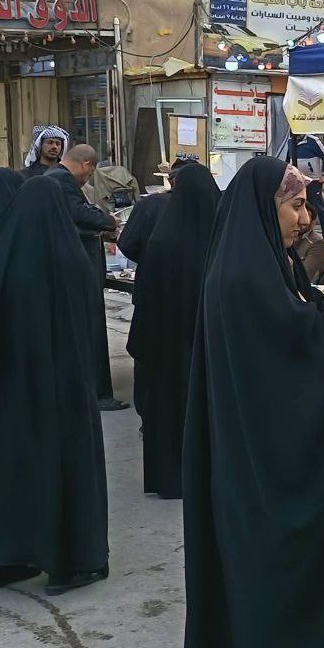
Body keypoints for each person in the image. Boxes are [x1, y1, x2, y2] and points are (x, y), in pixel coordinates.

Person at [181, 157, 324, 648]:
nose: (306, 218)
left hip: (256, 477)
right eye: (296, 206)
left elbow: (314, 317)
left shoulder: (262, 267)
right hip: (272, 490)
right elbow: (319, 350)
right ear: (263, 206)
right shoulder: (246, 280)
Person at [0, 177, 109, 595]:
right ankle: (78, 558)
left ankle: (19, 553)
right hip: (68, 389)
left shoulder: (7, 256)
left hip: (19, 389)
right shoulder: (73, 258)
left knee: (21, 469)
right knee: (68, 470)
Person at [125, 162, 221, 499]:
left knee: (166, 410)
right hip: (204, 348)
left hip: (165, 349)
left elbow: (146, 298)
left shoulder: (161, 240)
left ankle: (166, 478)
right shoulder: (219, 241)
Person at [47, 145, 126, 411]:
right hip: (77, 271)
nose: (88, 178)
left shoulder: (53, 178)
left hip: (66, 270)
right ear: (87, 165)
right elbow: (79, 213)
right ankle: (98, 394)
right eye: (90, 173)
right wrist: (109, 221)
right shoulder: (63, 181)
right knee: (90, 330)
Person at [117, 159, 193, 266]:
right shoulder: (207, 206)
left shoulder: (149, 203)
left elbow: (126, 244)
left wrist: (147, 260)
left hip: (152, 272)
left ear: (170, 181)